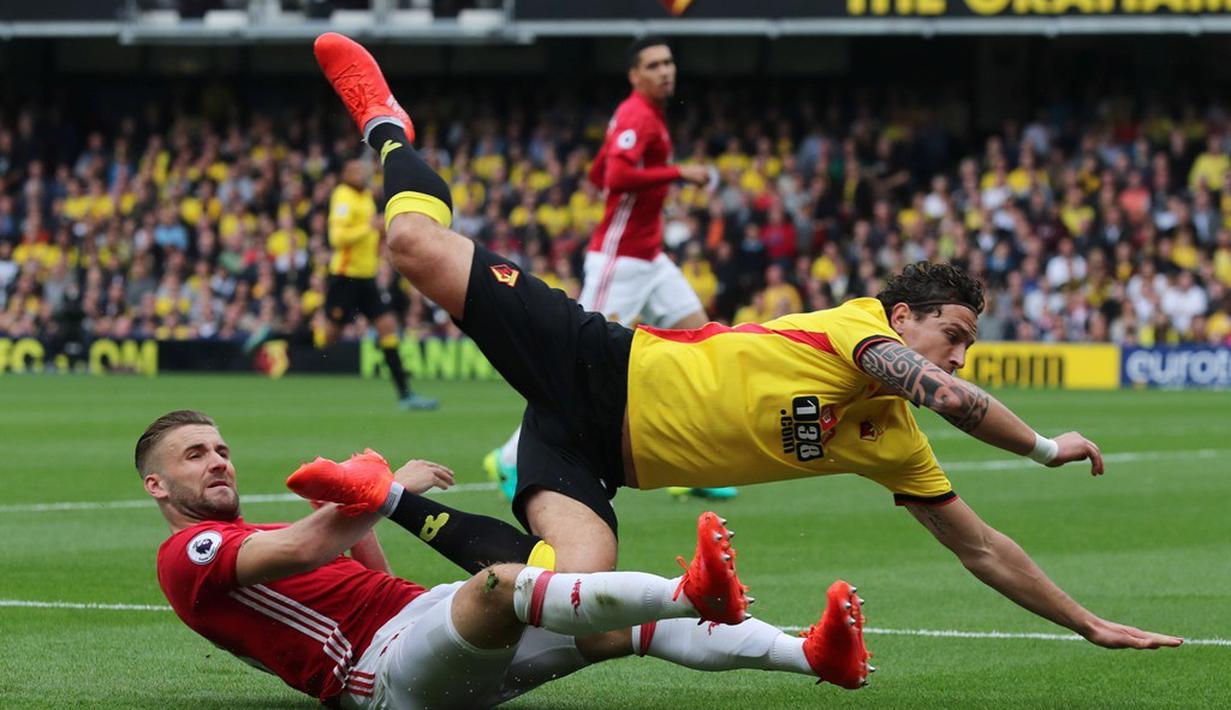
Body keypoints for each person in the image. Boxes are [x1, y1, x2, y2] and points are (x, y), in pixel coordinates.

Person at [313, 32, 1182, 652]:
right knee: (414, 247)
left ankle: (385, 501)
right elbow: (945, 394)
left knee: (570, 598)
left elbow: (982, 547)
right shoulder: (859, 332)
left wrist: (1088, 623)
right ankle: (387, 124)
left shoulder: (892, 443)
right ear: (903, 318)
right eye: (949, 335)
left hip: (588, 451)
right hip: (601, 362)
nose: (955, 357)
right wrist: (1041, 447)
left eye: (965, 345)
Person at [139, 410, 871, 709]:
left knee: (614, 631)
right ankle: (691, 592)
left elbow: (361, 571)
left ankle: (813, 656)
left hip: (414, 628)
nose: (218, 462)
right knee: (498, 585)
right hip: (376, 672)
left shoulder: (245, 535)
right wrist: (375, 492)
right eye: (195, 455)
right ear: (157, 484)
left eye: (222, 449)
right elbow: (305, 545)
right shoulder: (189, 552)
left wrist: (366, 500)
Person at [484, 36, 733, 502]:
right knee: (575, 360)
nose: (666, 71)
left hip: (650, 257)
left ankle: (693, 463)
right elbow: (616, 177)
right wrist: (679, 173)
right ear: (635, 75)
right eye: (654, 65)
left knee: (704, 345)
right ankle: (509, 456)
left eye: (669, 62)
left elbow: (602, 172)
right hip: (620, 261)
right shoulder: (638, 114)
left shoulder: (641, 114)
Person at [324, 158, 436, 410]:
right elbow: (337, 237)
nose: (360, 173)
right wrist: (369, 227)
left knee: (388, 327)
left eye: (361, 169)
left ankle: (405, 394)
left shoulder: (365, 196)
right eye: (354, 169)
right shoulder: (343, 196)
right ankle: (279, 339)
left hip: (367, 276)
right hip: (344, 277)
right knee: (327, 337)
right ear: (344, 174)